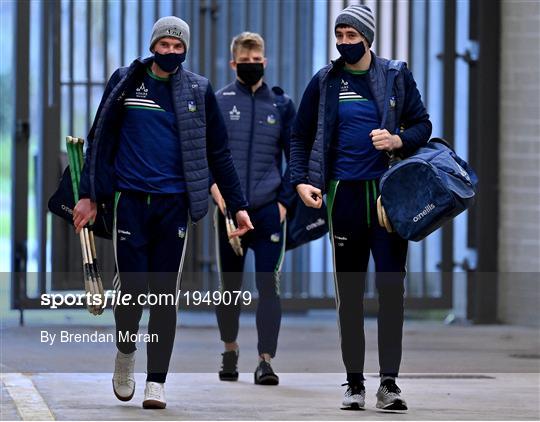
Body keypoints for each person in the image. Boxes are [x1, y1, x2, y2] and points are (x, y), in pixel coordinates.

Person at [73, 16, 253, 409]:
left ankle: (156, 382)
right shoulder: (126, 80)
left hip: (174, 205)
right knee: (132, 292)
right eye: (164, 45)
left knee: (164, 295)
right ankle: (125, 354)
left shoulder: (198, 90)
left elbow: (218, 153)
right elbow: (99, 139)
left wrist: (237, 207)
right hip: (131, 202)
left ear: (185, 49)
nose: (170, 52)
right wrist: (88, 195)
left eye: (177, 46)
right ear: (153, 45)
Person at [290, 5, 432, 411]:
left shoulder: (395, 75)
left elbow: (423, 126)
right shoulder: (326, 81)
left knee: (391, 289)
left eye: (352, 36)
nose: (345, 43)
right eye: (340, 35)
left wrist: (398, 140)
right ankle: (354, 383)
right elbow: (299, 137)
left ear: (368, 38)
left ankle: (389, 384)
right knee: (349, 293)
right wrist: (302, 180)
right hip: (344, 196)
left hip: (388, 199)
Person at [211, 32, 296, 386]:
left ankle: (265, 361)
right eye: (244, 62)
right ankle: (230, 350)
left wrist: (284, 204)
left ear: (266, 60)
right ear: (234, 64)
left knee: (268, 286)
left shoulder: (281, 105)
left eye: (257, 59)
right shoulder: (218, 101)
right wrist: (221, 199)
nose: (252, 65)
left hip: (267, 212)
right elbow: (208, 158)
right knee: (230, 285)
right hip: (229, 212)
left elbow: (298, 159)